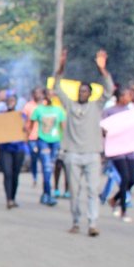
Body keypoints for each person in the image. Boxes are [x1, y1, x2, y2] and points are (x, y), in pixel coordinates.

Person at [53, 48, 114, 236]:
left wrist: (102, 69)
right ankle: (76, 222)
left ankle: (93, 223)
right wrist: (61, 66)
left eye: (86, 91)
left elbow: (110, 89)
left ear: (90, 93)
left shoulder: (96, 106)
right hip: (72, 153)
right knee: (75, 191)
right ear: (77, 93)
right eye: (81, 91)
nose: (83, 93)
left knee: (92, 191)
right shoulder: (70, 105)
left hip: (92, 154)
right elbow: (56, 86)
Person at [101, 87, 134, 223]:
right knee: (125, 178)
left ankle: (114, 199)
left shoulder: (130, 111)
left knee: (132, 179)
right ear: (120, 96)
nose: (129, 98)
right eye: (127, 95)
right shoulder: (109, 112)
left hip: (129, 148)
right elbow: (104, 130)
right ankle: (123, 210)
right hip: (116, 150)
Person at [28, 89, 65, 207]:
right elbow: (30, 125)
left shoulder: (59, 110)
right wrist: (30, 139)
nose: (49, 96)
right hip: (43, 141)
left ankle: (47, 192)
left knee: (52, 167)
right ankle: (47, 194)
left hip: (55, 142)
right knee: (46, 167)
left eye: (51, 94)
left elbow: (63, 128)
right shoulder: (38, 110)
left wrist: (64, 144)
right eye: (47, 94)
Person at [22, 87, 43, 187]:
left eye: (39, 93)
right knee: (34, 158)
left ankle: (45, 179)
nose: (37, 95)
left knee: (44, 159)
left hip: (44, 137)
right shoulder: (28, 106)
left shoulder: (46, 105)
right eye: (36, 93)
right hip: (32, 136)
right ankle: (34, 177)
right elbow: (24, 120)